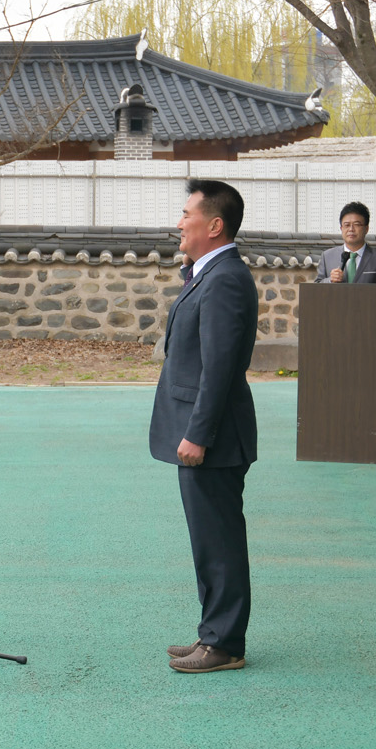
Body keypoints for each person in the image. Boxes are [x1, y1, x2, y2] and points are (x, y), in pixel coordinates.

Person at [151, 180, 258, 674]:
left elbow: (219, 368)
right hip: (205, 432)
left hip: (213, 437)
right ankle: (213, 632)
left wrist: (197, 434)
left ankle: (225, 645)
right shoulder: (207, 274)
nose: (179, 223)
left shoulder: (225, 279)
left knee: (219, 541)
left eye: (186, 214)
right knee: (209, 539)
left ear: (214, 225)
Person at [316, 202, 376, 285]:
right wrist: (330, 280)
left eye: (357, 224)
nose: (351, 229)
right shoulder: (327, 257)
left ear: (366, 229)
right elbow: (316, 287)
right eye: (347, 225)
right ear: (341, 228)